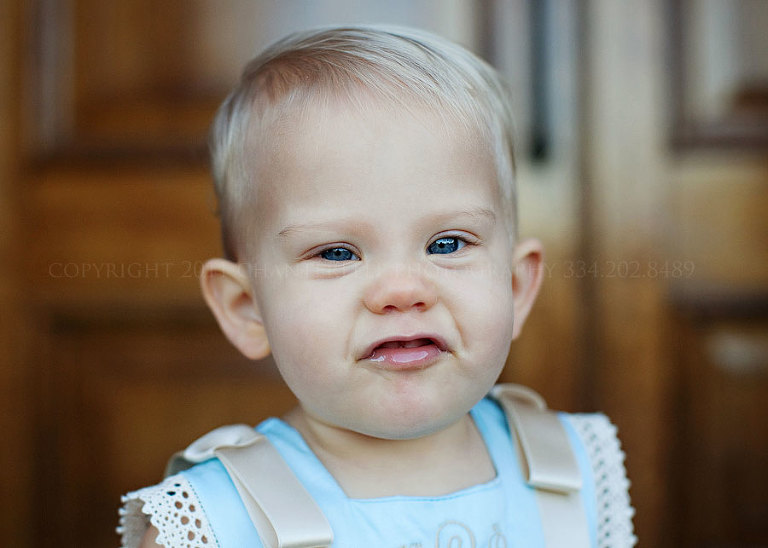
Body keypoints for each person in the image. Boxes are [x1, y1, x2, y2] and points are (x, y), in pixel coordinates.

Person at [119, 25, 635, 547]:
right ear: (247, 309)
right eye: (338, 253)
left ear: (516, 286)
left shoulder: (572, 470)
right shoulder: (218, 522)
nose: (403, 289)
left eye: (447, 244)